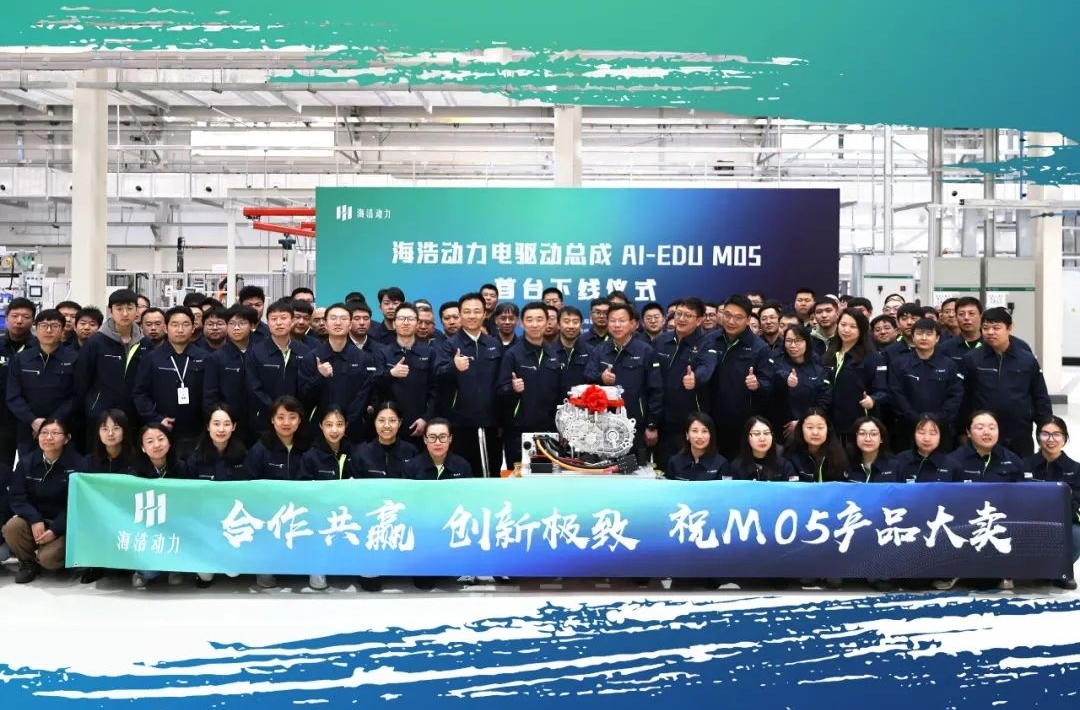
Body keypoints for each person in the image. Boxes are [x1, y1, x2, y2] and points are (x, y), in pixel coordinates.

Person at [960, 307, 1051, 456]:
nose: (990, 332)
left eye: (996, 328)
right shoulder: (971, 359)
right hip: (983, 432)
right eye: (985, 328)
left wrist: (1045, 431)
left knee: (1020, 468)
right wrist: (962, 431)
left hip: (1019, 432)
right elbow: (964, 398)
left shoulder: (1027, 360)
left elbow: (1040, 397)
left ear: (1009, 328)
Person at [2, 418, 82, 584]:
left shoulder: (79, 464)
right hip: (36, 520)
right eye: (44, 433)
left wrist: (55, 529)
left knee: (48, 559)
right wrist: (34, 518)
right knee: (11, 527)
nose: (48, 437)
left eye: (55, 433)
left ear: (67, 438)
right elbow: (17, 497)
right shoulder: (26, 463)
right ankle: (27, 563)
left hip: (64, 523)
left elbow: (78, 504)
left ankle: (61, 561)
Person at [74, 289, 152, 445]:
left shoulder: (145, 343)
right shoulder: (96, 342)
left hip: (134, 414)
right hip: (100, 415)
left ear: (137, 311)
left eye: (129, 308)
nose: (125, 313)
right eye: (119, 309)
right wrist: (90, 408)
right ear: (110, 311)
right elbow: (81, 381)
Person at [437, 293, 502, 477]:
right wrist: (453, 366)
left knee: (492, 471)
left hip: (491, 422)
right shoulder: (449, 346)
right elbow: (437, 375)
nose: (472, 316)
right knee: (463, 473)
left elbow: (501, 380)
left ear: (484, 314)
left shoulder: (494, 344)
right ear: (460, 314)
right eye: (467, 311)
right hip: (460, 423)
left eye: (477, 311)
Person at [245, 395, 308, 589]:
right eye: (280, 417)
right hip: (269, 514)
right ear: (272, 419)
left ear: (300, 420)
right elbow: (250, 487)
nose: (286, 422)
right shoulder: (259, 449)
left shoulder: (308, 447)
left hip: (301, 512)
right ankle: (266, 568)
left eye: (292, 417)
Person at [132, 305, 209, 459]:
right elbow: (140, 393)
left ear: (193, 328)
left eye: (185, 324)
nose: (180, 330)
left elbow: (211, 393)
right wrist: (156, 419)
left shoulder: (205, 358)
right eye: (175, 325)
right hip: (162, 430)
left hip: (197, 431)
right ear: (166, 328)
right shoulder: (152, 358)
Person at [497, 302, 564, 469]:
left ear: (548, 322)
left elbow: (559, 393)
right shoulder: (512, 354)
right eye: (529, 320)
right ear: (522, 323)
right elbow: (500, 390)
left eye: (539, 319)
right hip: (518, 431)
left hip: (549, 430)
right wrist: (512, 388)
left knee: (546, 476)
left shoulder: (554, 354)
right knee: (519, 477)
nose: (534, 324)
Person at [6, 308, 78, 458]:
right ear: (36, 328)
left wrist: (51, 424)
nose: (49, 330)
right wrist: (32, 420)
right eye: (43, 325)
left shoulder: (74, 358)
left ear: (62, 329)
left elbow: (76, 396)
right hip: (28, 429)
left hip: (63, 427)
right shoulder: (21, 359)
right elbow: (13, 395)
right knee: (28, 466)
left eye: (55, 326)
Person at [298, 406, 356, 591]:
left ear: (346, 426)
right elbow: (303, 491)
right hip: (320, 516)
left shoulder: (354, 452)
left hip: (347, 514)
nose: (334, 430)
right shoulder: (310, 456)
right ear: (321, 426)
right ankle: (317, 567)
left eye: (339, 424)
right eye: (329, 424)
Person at [1022, 416, 1079, 590]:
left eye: (1057, 434)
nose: (1051, 439)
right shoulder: (1024, 464)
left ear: (1065, 438)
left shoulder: (1075, 469)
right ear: (1038, 437)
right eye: (1045, 434)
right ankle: (1027, 569)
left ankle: (1062, 571)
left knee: (1077, 532)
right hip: (1029, 519)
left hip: (1063, 520)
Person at [824, 309, 888, 446]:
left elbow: (883, 390)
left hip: (858, 423)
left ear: (862, 330)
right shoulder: (830, 354)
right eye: (843, 325)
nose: (846, 330)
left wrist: (873, 400)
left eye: (853, 326)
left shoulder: (873, 358)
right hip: (830, 422)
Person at [768, 325, 831, 442]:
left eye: (798, 341)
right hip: (781, 431)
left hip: (811, 428)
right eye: (788, 341)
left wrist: (802, 422)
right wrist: (786, 380)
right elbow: (774, 380)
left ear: (807, 342)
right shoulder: (777, 363)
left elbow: (824, 401)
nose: (793, 345)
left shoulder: (818, 369)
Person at [353, 402, 419, 480]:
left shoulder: (411, 452)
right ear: (375, 422)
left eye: (392, 420)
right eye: (381, 420)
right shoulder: (361, 453)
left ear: (399, 423)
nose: (386, 425)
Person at [786, 408, 850, 483]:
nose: (815, 432)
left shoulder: (839, 456)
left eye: (820, 427)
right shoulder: (791, 456)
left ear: (828, 430)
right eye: (810, 427)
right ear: (801, 429)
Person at [728, 416, 799, 482]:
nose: (762, 438)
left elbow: (792, 489)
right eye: (757, 434)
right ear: (747, 438)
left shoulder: (785, 466)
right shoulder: (736, 467)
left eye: (766, 433)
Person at [890, 413, 957, 482]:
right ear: (913, 434)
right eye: (921, 432)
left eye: (932, 433)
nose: (927, 439)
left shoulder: (952, 465)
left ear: (941, 436)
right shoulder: (899, 461)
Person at [664, 413, 728, 481]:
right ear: (687, 435)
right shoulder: (674, 462)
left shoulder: (721, 464)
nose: (699, 436)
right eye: (695, 431)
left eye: (704, 431)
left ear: (711, 435)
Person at [848, 416, 897, 482]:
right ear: (855, 437)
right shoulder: (846, 466)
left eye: (873, 434)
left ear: (881, 439)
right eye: (862, 433)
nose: (867, 439)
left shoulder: (895, 467)